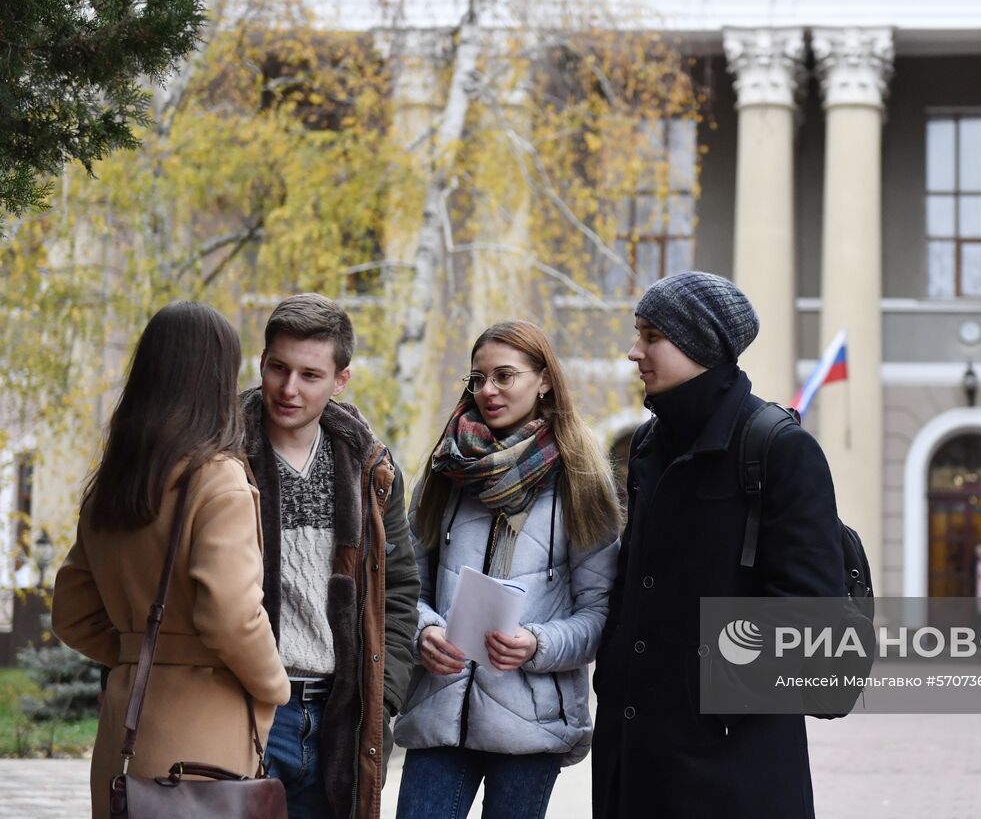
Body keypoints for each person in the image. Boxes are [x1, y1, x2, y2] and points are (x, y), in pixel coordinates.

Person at [592, 271, 847, 819]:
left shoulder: (780, 449)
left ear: (699, 344)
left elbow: (812, 619)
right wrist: (615, 675)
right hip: (632, 763)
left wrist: (695, 695)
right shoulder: (648, 445)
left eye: (650, 335)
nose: (634, 351)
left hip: (731, 773)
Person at [52, 302, 291, 819]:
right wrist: (274, 684)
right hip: (203, 734)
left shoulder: (115, 482)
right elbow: (229, 615)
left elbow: (70, 612)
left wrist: (139, 651)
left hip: (127, 730)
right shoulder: (216, 479)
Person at [394, 320, 622, 819]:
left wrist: (536, 644)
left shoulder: (583, 481)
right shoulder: (443, 472)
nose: (487, 391)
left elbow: (601, 615)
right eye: (477, 379)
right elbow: (403, 589)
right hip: (439, 710)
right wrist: (425, 631)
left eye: (504, 376)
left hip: (532, 721)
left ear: (543, 380)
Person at [241, 293, 420, 819]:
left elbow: (400, 590)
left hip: (339, 715)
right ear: (262, 363)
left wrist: (379, 698)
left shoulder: (371, 468)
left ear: (341, 379)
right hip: (247, 711)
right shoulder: (224, 452)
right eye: (278, 368)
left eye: (310, 375)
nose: (289, 389)